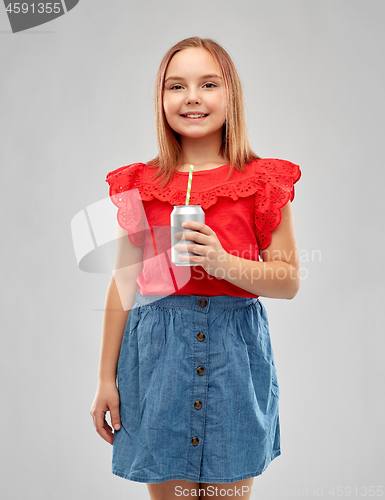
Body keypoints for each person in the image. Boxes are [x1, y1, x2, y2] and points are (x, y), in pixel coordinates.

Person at [90, 36, 302, 500]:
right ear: (160, 98)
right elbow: (123, 284)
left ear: (231, 95)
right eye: (176, 86)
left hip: (234, 357)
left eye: (208, 83)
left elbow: (287, 281)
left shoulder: (263, 180)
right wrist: (106, 379)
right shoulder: (140, 184)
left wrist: (223, 262)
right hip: (157, 360)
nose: (191, 97)